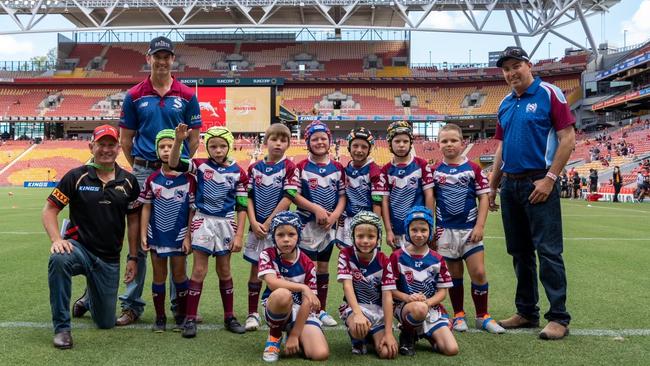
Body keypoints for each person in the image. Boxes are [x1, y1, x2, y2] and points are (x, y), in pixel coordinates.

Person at [489, 46, 575, 340]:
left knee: (548, 251)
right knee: (519, 252)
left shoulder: (550, 94)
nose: (511, 73)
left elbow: (568, 138)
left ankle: (558, 317)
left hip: (539, 182)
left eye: (516, 66)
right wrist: (492, 184)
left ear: (528, 65)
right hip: (510, 185)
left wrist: (551, 178)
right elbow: (501, 147)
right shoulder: (504, 103)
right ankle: (526, 311)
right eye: (506, 69)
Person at [117, 36, 202, 326]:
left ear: (173, 60)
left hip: (177, 173)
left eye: (167, 56)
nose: (162, 61)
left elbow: (194, 137)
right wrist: (143, 169)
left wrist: (176, 164)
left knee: (179, 236)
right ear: (148, 58)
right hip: (143, 171)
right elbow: (126, 140)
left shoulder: (188, 94)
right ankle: (132, 304)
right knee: (141, 239)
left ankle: (182, 304)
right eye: (157, 56)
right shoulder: (134, 95)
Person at [43, 124, 140, 349]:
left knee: (105, 323)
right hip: (79, 249)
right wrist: (57, 239)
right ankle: (62, 329)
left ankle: (88, 298)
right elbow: (50, 210)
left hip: (109, 259)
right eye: (101, 145)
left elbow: (133, 220)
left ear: (118, 148)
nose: (106, 149)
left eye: (111, 145)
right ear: (91, 146)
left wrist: (133, 257)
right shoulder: (76, 176)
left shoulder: (129, 181)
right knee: (59, 259)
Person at [170, 124, 248, 337]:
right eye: (213, 146)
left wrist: (239, 234)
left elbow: (242, 206)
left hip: (225, 223)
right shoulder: (199, 166)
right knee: (199, 270)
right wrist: (178, 141)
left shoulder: (239, 172)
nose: (218, 150)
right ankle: (190, 318)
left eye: (222, 146)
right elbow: (174, 163)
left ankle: (229, 316)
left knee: (224, 270)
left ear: (229, 147)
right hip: (203, 221)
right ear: (207, 148)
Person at [432, 124, 505, 334]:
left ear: (462, 142)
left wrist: (480, 226)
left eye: (453, 140)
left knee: (479, 272)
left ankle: (483, 316)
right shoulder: (435, 171)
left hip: (470, 230)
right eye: (444, 141)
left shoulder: (473, 169)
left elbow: (483, 197)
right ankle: (458, 315)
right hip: (446, 231)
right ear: (439, 144)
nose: (449, 144)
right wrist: (433, 230)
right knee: (454, 275)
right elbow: (431, 201)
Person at [138, 129, 195, 332]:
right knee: (158, 276)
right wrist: (143, 233)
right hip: (157, 235)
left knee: (180, 276)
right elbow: (146, 206)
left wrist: (188, 235)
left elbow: (192, 210)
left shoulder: (189, 179)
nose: (165, 150)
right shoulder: (152, 178)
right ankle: (160, 317)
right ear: (156, 150)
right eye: (162, 147)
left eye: (170, 146)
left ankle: (181, 315)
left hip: (179, 235)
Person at [244, 123, 298, 331]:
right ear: (265, 142)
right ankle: (252, 313)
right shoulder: (254, 168)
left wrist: (268, 223)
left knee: (280, 270)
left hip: (279, 229)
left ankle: (280, 311)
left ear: (288, 144)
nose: (278, 143)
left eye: (283, 140)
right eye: (274, 139)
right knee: (255, 269)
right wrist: (254, 221)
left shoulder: (290, 167)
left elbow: (288, 197)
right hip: (256, 227)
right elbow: (247, 197)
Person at [293, 121, 347, 327]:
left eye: (323, 138)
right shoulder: (301, 167)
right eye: (314, 139)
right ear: (307, 142)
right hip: (306, 225)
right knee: (308, 268)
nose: (319, 142)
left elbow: (342, 197)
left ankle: (321, 309)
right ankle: (307, 308)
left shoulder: (337, 168)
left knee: (323, 267)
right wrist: (315, 209)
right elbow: (294, 196)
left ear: (329, 141)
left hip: (328, 228)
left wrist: (334, 216)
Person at [258, 211, 329, 362]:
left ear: (298, 236)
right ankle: (274, 337)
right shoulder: (267, 254)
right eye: (280, 235)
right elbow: (272, 282)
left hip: (302, 310)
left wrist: (296, 335)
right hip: (277, 306)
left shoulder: (307, 262)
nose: (286, 240)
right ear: (273, 236)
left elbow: (308, 301)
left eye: (291, 234)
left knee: (320, 354)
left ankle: (293, 333)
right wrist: (304, 288)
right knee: (283, 294)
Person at [389, 206, 458, 357]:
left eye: (423, 230)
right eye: (414, 230)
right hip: (405, 306)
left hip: (430, 306)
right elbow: (389, 290)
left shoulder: (437, 259)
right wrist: (408, 298)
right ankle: (407, 334)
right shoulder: (397, 256)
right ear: (407, 231)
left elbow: (442, 292)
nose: (419, 235)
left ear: (430, 232)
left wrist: (427, 303)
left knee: (451, 349)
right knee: (419, 309)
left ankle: (424, 331)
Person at [337, 211, 398, 358]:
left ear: (378, 238)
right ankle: (358, 339)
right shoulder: (345, 254)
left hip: (378, 310)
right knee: (358, 325)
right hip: (357, 308)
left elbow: (387, 297)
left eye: (371, 237)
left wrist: (389, 333)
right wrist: (357, 313)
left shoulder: (384, 260)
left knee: (387, 353)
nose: (365, 241)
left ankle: (372, 335)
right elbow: (347, 286)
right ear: (352, 236)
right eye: (360, 236)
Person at [380, 121, 434, 250]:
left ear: (411, 143)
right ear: (390, 144)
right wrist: (388, 230)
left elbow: (429, 195)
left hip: (419, 226)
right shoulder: (385, 170)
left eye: (405, 141)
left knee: (421, 262)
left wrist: (430, 223)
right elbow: (385, 202)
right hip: (397, 227)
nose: (401, 145)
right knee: (399, 264)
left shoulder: (421, 165)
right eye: (397, 141)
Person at [335, 127, 383, 249]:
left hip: (366, 221)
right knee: (346, 256)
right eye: (355, 146)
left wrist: (376, 226)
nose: (359, 150)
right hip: (346, 220)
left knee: (366, 257)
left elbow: (377, 202)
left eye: (364, 147)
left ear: (369, 150)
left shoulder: (374, 171)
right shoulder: (345, 169)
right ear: (349, 147)